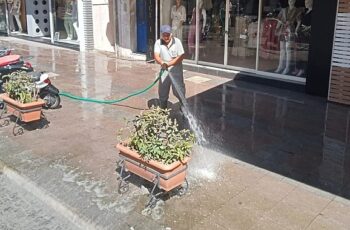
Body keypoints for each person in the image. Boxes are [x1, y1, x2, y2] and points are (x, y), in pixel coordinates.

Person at [154, 25, 186, 109]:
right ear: (161, 35)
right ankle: (163, 109)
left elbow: (181, 56)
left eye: (168, 35)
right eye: (164, 35)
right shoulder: (158, 42)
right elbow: (156, 56)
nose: (166, 37)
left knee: (178, 90)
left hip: (176, 70)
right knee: (163, 91)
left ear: (171, 34)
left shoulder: (177, 42)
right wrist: (162, 62)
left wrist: (169, 64)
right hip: (164, 70)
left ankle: (183, 106)